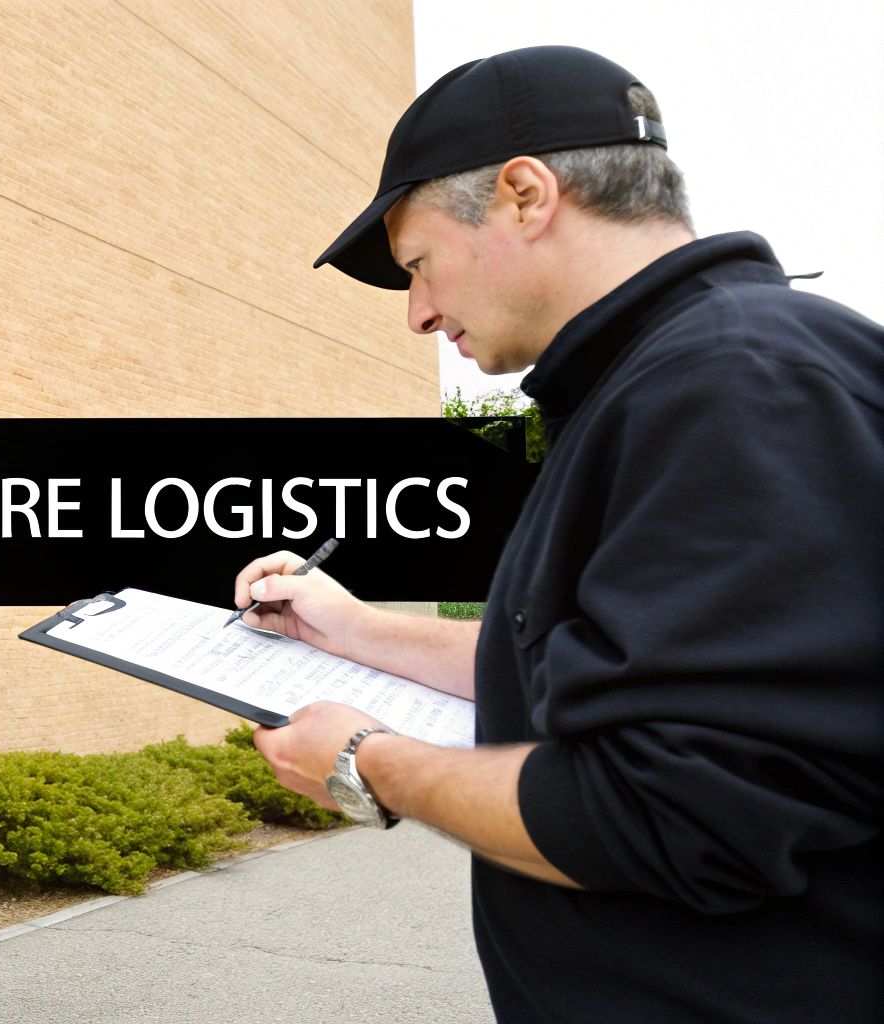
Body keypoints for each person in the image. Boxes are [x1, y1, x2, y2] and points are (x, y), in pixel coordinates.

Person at [237, 46, 882, 1020]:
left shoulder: (729, 382)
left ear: (525, 195)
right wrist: (344, 626)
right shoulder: (672, 375)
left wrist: (365, 759)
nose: (415, 314)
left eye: (416, 264)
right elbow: (598, 661)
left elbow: (669, 810)